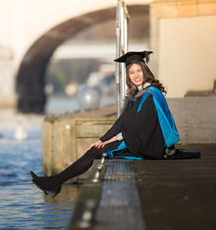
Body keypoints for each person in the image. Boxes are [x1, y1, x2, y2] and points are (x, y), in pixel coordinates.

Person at [30, 51, 182, 197]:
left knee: (97, 152)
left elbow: (135, 126)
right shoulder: (137, 94)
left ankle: (55, 182)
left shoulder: (151, 94)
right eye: (131, 73)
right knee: (96, 149)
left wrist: (111, 140)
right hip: (137, 139)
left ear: (145, 71)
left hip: (149, 145)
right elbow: (122, 122)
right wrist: (101, 140)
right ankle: (55, 181)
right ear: (128, 76)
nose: (136, 75)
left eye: (139, 71)